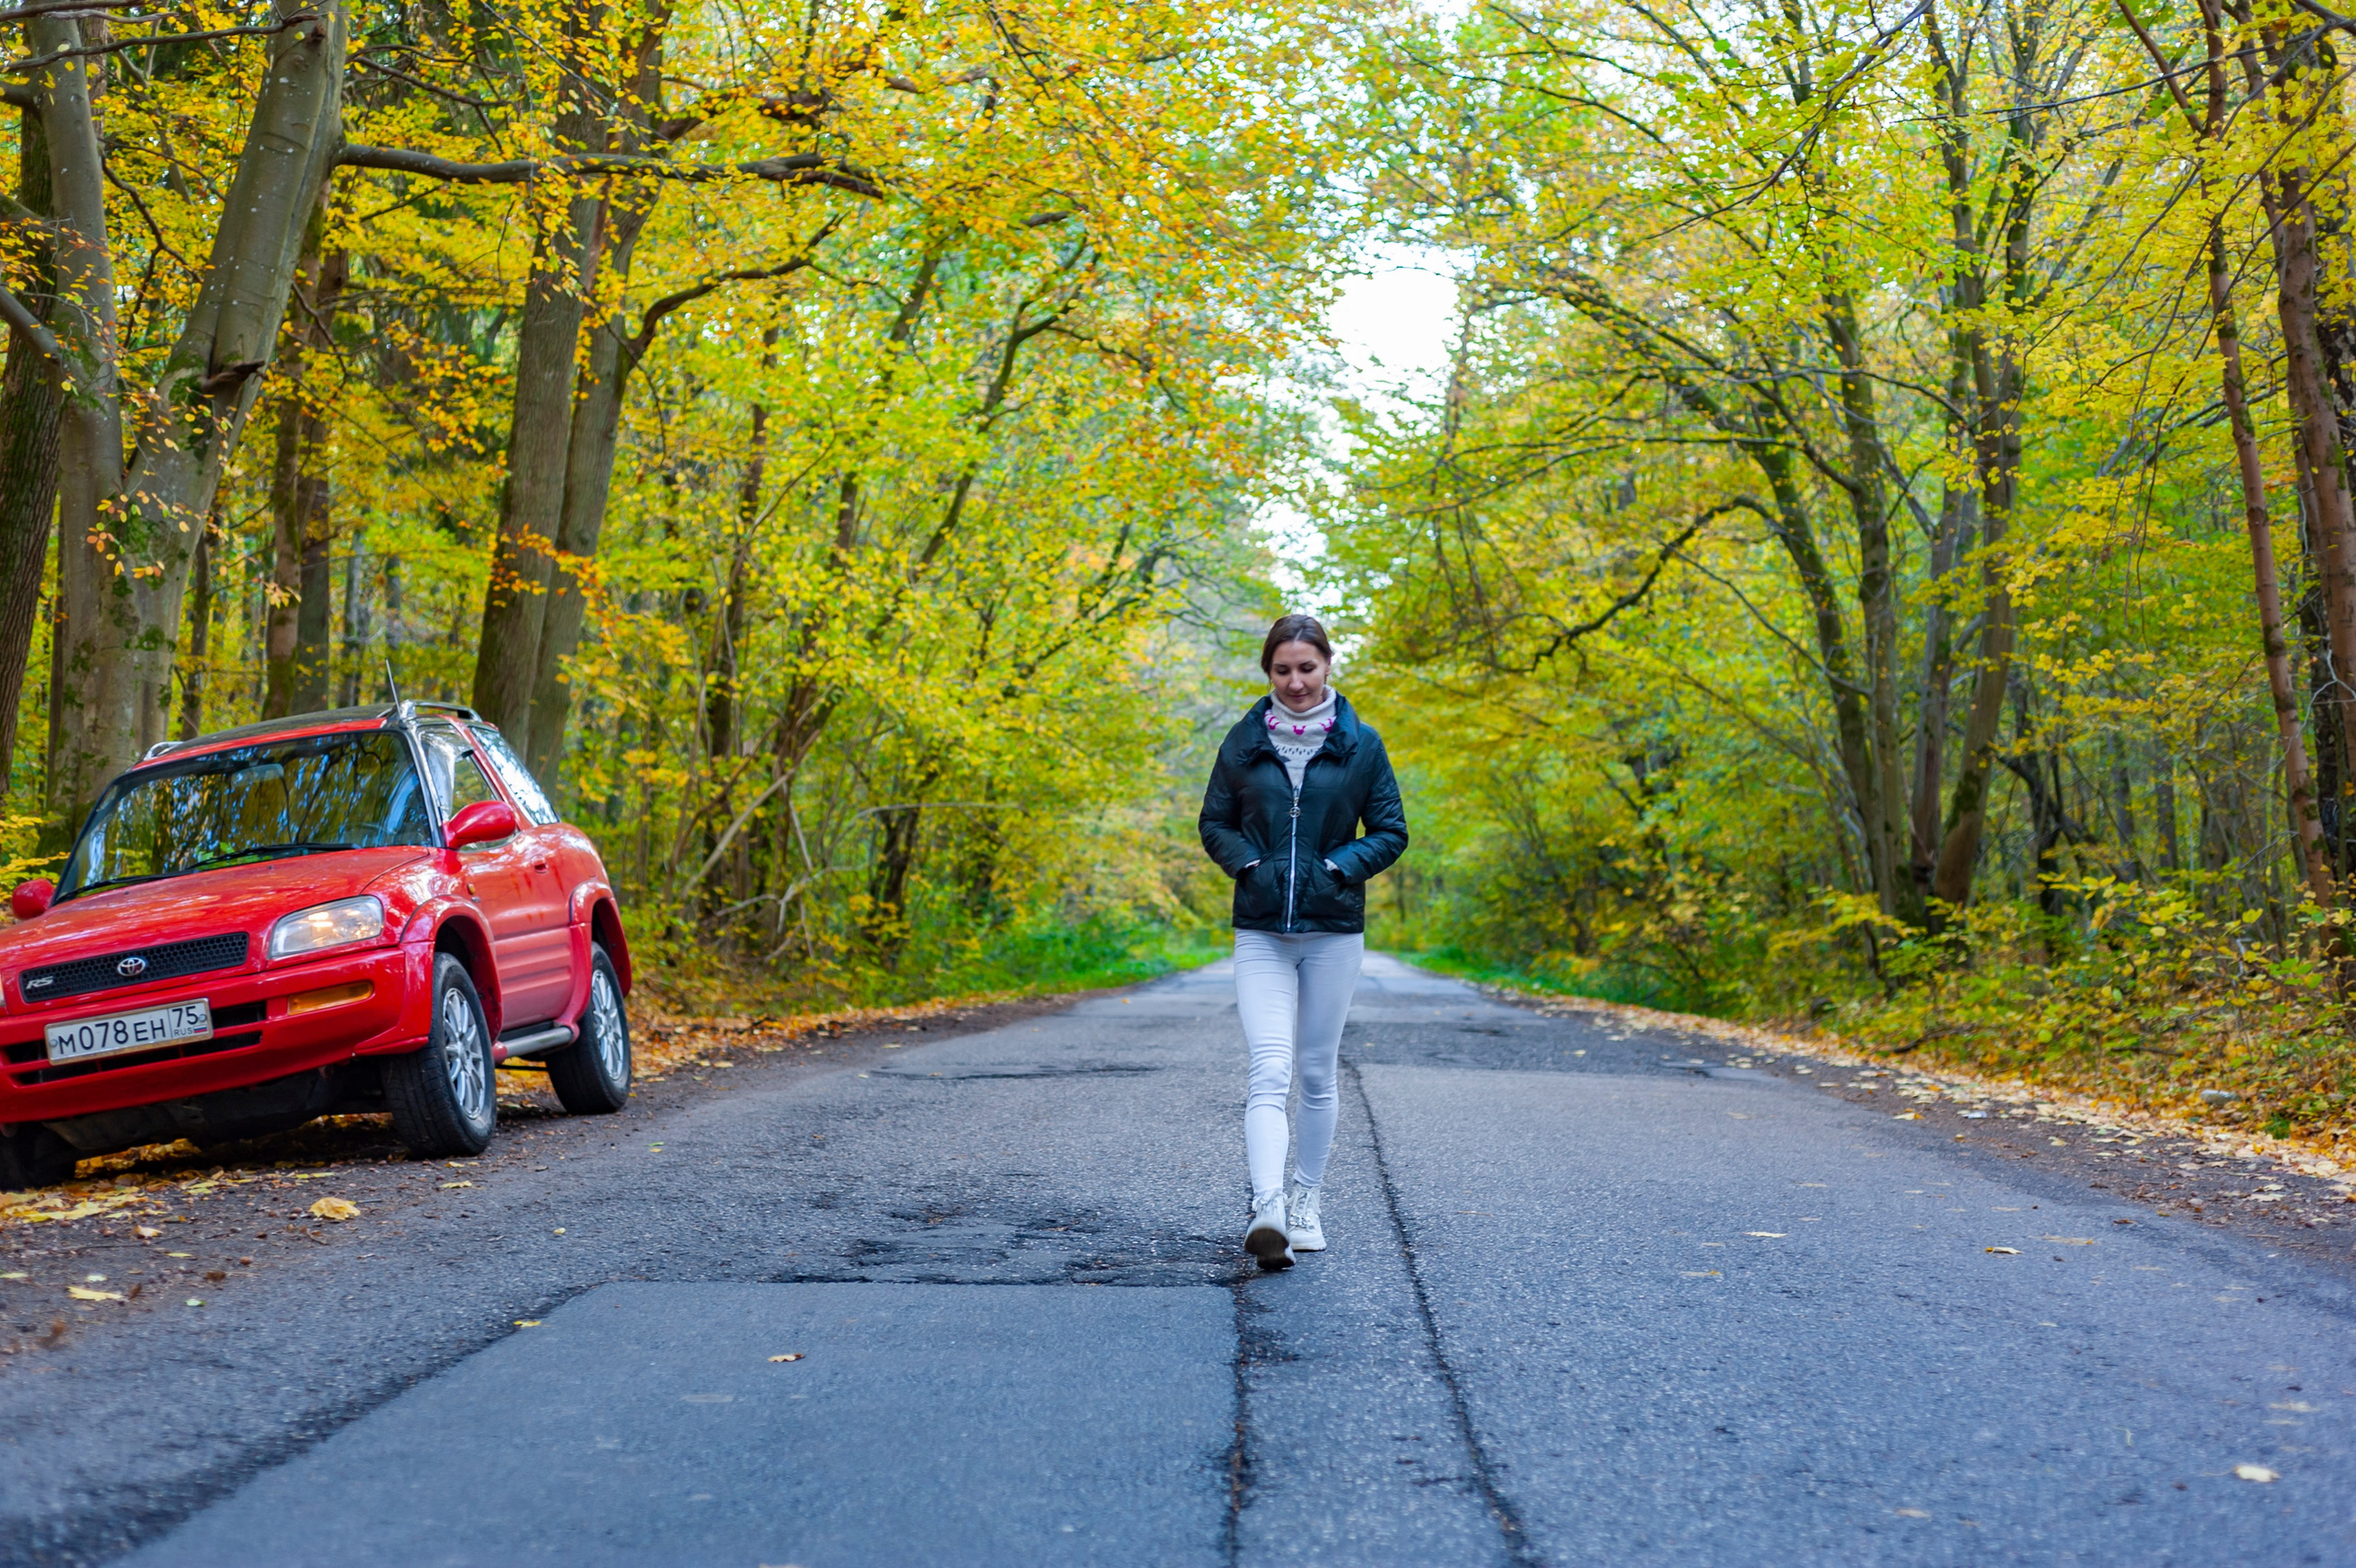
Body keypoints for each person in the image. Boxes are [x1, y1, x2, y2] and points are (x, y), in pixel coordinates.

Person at [1197, 614, 1409, 1270]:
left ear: (1327, 666)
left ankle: (1306, 1200)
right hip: (1261, 932)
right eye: (1282, 670)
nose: (1294, 681)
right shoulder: (1242, 741)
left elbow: (1391, 830)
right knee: (1270, 1067)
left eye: (1306, 668)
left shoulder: (1361, 744)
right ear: (1269, 672)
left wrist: (1337, 867)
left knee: (1316, 1072)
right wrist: (1252, 866)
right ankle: (1268, 1208)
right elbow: (1214, 823)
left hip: (1333, 933)